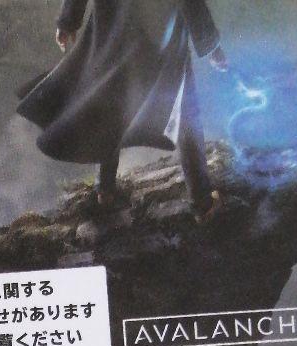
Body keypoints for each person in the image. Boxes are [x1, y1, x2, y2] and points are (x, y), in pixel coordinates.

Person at [18, 0, 228, 220]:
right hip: (160, 35)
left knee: (110, 98)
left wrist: (68, 21)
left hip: (114, 27)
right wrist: (211, 46)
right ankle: (203, 200)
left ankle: (105, 190)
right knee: (185, 111)